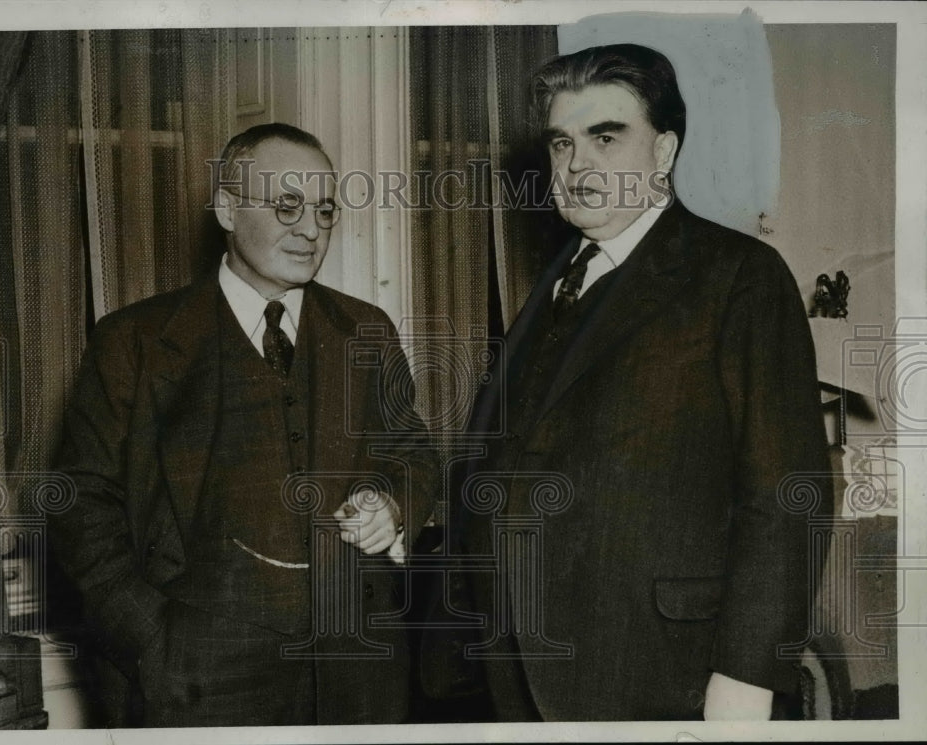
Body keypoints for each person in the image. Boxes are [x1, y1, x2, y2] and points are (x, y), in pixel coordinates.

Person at [452, 44, 830, 721]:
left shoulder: (738, 276)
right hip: (517, 671)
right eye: (562, 143)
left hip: (663, 668)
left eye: (605, 138)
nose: (577, 164)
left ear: (663, 152)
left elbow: (787, 493)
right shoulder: (558, 281)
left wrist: (747, 676)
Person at [49, 123, 438, 727]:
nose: (310, 230)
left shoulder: (366, 330)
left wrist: (391, 502)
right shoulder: (134, 341)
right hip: (194, 680)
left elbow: (412, 453)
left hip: (357, 670)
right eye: (287, 206)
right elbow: (79, 504)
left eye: (324, 210)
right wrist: (151, 640)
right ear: (228, 209)